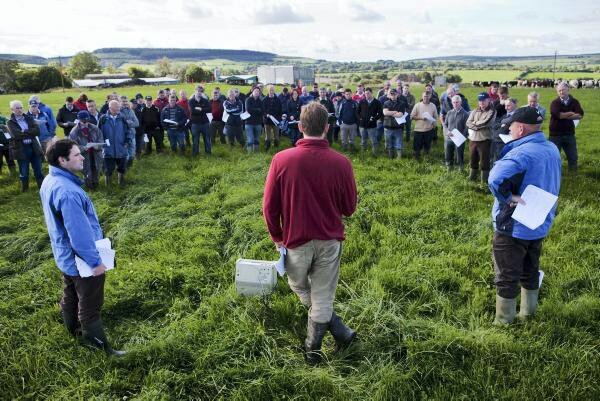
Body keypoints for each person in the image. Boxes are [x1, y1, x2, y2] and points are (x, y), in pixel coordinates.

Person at [263, 102, 357, 364]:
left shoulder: (281, 159)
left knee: (300, 287)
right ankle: (341, 334)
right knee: (321, 296)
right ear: (327, 128)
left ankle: (312, 352)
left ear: (300, 127)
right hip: (329, 240)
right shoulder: (342, 163)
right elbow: (349, 208)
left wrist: (277, 237)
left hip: (295, 241)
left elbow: (269, 207)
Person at [40, 138, 126, 356]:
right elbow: (79, 235)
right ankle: (102, 349)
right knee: (90, 305)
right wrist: (95, 263)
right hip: (81, 260)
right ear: (62, 159)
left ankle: (74, 332)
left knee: (71, 293)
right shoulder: (68, 192)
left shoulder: (50, 180)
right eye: (77, 154)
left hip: (64, 255)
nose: (82, 157)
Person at [488, 107, 560, 325]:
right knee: (530, 268)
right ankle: (528, 314)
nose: (509, 129)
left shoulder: (521, 153)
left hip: (514, 224)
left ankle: (503, 322)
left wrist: (509, 197)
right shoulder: (551, 147)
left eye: (511, 126)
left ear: (520, 128)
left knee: (507, 274)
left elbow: (495, 178)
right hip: (538, 220)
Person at [6, 100, 44, 191]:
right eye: (17, 108)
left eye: (21, 107)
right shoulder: (10, 122)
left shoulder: (29, 118)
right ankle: (25, 190)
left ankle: (42, 188)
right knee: (24, 172)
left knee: (38, 170)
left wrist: (25, 131)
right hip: (21, 149)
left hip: (34, 147)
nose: (20, 110)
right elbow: (16, 135)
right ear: (12, 109)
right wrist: (30, 132)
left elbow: (37, 131)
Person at [549, 82, 584, 172]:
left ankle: (573, 176)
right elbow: (558, 115)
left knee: (573, 156)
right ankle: (554, 174)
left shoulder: (574, 102)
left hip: (569, 133)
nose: (561, 92)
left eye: (563, 90)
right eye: (559, 91)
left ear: (568, 90)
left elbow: (580, 115)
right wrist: (572, 113)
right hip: (555, 135)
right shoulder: (554, 103)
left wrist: (565, 115)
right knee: (554, 157)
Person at [98, 100, 131, 187]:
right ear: (110, 108)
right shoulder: (103, 119)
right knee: (108, 169)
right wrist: (102, 143)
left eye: (118, 108)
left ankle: (121, 184)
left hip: (121, 148)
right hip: (108, 149)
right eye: (116, 108)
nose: (118, 110)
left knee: (122, 168)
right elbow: (99, 133)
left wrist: (127, 141)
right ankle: (108, 186)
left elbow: (128, 131)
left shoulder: (122, 118)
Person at [69, 111, 104, 190]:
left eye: (87, 120)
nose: (85, 123)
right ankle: (90, 189)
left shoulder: (95, 128)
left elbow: (101, 140)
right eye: (83, 121)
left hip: (96, 154)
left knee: (96, 170)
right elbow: (73, 146)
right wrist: (84, 148)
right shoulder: (74, 132)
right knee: (87, 172)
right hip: (84, 156)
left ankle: (96, 186)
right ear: (79, 120)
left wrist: (96, 146)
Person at [466, 92, 496, 182]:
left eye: (484, 101)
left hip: (484, 140)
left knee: (484, 161)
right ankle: (472, 177)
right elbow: (468, 122)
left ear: (488, 100)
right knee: (473, 159)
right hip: (473, 139)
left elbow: (486, 123)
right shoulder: (475, 110)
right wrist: (476, 125)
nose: (481, 103)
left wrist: (474, 123)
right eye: (480, 101)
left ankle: (484, 180)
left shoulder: (492, 111)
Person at [442, 95, 470, 170]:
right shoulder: (449, 113)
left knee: (459, 154)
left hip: (459, 139)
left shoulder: (465, 114)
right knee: (448, 153)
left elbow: (466, 127)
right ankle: (449, 168)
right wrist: (447, 131)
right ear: (452, 103)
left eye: (457, 102)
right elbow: (445, 124)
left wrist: (462, 137)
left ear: (460, 102)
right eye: (454, 102)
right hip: (449, 137)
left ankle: (460, 169)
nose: (455, 104)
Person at [410, 92, 438, 160]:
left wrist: (434, 124)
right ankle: (416, 159)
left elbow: (435, 118)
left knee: (427, 146)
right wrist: (421, 118)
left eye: (427, 96)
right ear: (422, 97)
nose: (426, 98)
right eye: (424, 96)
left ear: (430, 97)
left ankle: (426, 159)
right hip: (418, 130)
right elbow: (412, 116)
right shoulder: (417, 105)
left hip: (429, 130)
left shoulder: (433, 106)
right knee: (417, 146)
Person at [491, 97, 517, 166]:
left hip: (505, 144)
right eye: (505, 105)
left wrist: (500, 125)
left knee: (501, 163)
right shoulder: (505, 115)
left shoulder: (517, 116)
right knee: (494, 160)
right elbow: (494, 125)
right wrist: (501, 124)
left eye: (508, 105)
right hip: (496, 141)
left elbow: (505, 130)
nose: (506, 108)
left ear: (515, 105)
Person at [382, 88, 408, 159]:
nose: (393, 96)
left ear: (397, 95)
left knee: (398, 144)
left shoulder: (402, 103)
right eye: (391, 94)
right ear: (389, 95)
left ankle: (399, 158)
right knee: (389, 144)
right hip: (388, 127)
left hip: (398, 127)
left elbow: (400, 114)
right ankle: (390, 157)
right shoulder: (386, 103)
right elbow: (385, 113)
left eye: (394, 94)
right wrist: (395, 112)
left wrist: (390, 113)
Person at [357, 87, 383, 155]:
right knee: (363, 140)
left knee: (374, 141)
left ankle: (375, 154)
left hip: (372, 126)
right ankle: (363, 153)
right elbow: (357, 112)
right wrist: (360, 118)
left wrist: (374, 118)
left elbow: (380, 113)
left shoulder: (377, 102)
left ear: (372, 93)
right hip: (362, 125)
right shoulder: (362, 101)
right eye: (365, 93)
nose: (366, 95)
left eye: (368, 93)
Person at [189, 85, 212, 156]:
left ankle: (208, 153)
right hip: (195, 124)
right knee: (195, 140)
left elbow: (209, 109)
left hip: (205, 123)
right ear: (195, 91)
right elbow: (192, 111)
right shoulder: (191, 101)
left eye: (201, 91)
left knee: (207, 140)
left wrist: (201, 109)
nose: (199, 92)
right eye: (198, 91)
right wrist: (203, 109)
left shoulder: (205, 100)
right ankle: (195, 154)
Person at [119, 96, 139, 167]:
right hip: (123, 137)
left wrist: (128, 124)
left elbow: (137, 123)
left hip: (132, 135)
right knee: (125, 155)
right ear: (119, 102)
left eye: (126, 101)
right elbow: (119, 126)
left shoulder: (131, 111)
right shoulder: (117, 112)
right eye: (123, 101)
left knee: (132, 153)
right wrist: (129, 123)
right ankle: (123, 170)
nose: (125, 103)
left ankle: (130, 167)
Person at [263, 85, 283, 151]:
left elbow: (280, 110)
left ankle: (276, 149)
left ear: (274, 90)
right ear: (268, 90)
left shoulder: (278, 100)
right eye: (270, 90)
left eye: (272, 90)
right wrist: (266, 115)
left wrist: (279, 119)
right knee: (267, 137)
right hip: (267, 121)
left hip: (276, 121)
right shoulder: (265, 100)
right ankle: (267, 149)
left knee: (276, 137)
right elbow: (263, 111)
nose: (271, 91)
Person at [245, 87, 265, 152]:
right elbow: (248, 110)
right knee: (250, 139)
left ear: (259, 93)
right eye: (255, 91)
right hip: (249, 123)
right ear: (252, 92)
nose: (257, 92)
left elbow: (262, 111)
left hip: (258, 123)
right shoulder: (248, 100)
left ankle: (256, 153)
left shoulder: (260, 101)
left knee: (257, 140)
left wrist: (254, 110)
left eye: (258, 91)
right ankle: (249, 154)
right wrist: (257, 110)